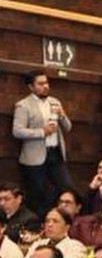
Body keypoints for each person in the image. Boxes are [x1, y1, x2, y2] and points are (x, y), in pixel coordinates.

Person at [12, 71, 73, 215]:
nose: (45, 86)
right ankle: (37, 223)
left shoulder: (55, 102)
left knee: (66, 188)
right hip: (34, 157)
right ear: (31, 87)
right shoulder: (23, 105)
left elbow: (68, 127)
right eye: (40, 84)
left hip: (55, 153)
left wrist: (62, 115)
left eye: (46, 83)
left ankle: (62, 220)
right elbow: (17, 131)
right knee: (38, 195)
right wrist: (41, 132)